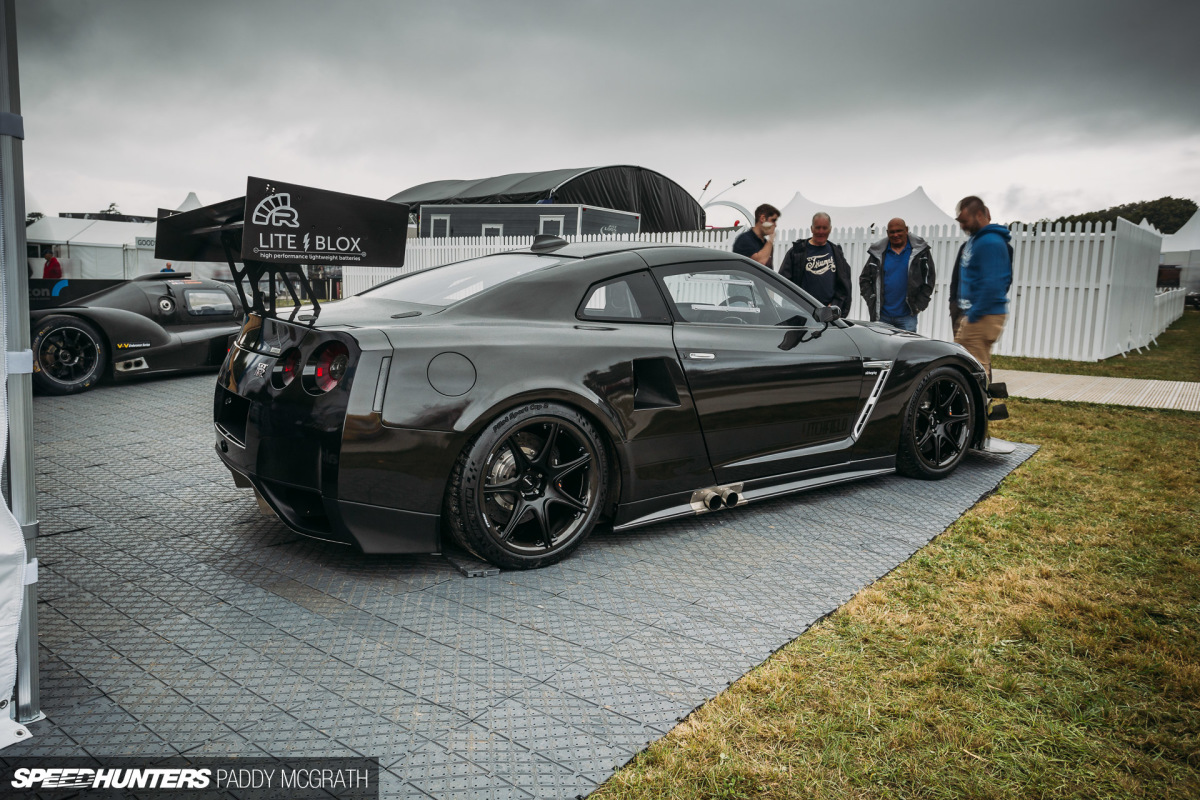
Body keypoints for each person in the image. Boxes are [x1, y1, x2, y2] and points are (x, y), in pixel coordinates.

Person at [953, 196, 1011, 380]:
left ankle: (980, 407)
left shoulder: (991, 242)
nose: (962, 226)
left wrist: (974, 315)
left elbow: (994, 284)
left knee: (975, 367)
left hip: (982, 315)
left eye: (964, 221)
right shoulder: (976, 241)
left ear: (979, 214)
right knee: (964, 364)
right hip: (973, 313)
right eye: (959, 221)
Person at [859, 218, 935, 332]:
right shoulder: (878, 253)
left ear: (906, 230)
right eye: (892, 232)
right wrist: (872, 299)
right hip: (882, 317)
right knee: (881, 349)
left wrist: (920, 303)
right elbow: (864, 279)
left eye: (899, 231)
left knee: (907, 348)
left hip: (907, 317)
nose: (895, 234)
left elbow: (929, 278)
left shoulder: (919, 252)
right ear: (887, 233)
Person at [779, 212, 852, 317]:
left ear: (830, 229)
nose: (821, 232)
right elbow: (784, 282)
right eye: (817, 228)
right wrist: (796, 305)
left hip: (827, 315)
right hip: (801, 314)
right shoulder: (797, 252)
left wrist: (835, 305)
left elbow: (844, 285)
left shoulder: (836, 253)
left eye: (824, 228)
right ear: (812, 228)